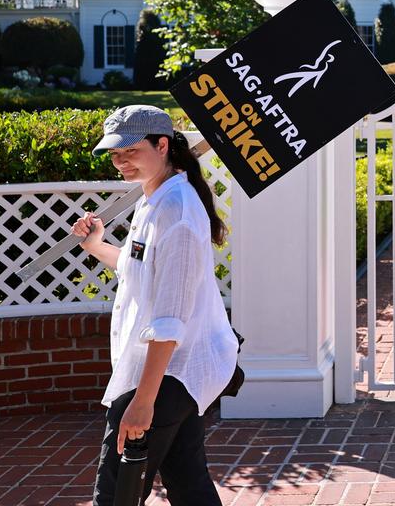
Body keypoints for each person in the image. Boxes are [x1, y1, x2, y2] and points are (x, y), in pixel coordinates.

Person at [72, 105, 238, 506]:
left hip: (168, 374)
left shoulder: (176, 211)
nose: (120, 161)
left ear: (162, 145)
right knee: (188, 484)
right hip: (175, 372)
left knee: (116, 494)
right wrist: (96, 246)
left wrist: (142, 401)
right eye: (114, 153)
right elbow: (140, 267)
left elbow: (170, 319)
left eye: (130, 150)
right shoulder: (157, 198)